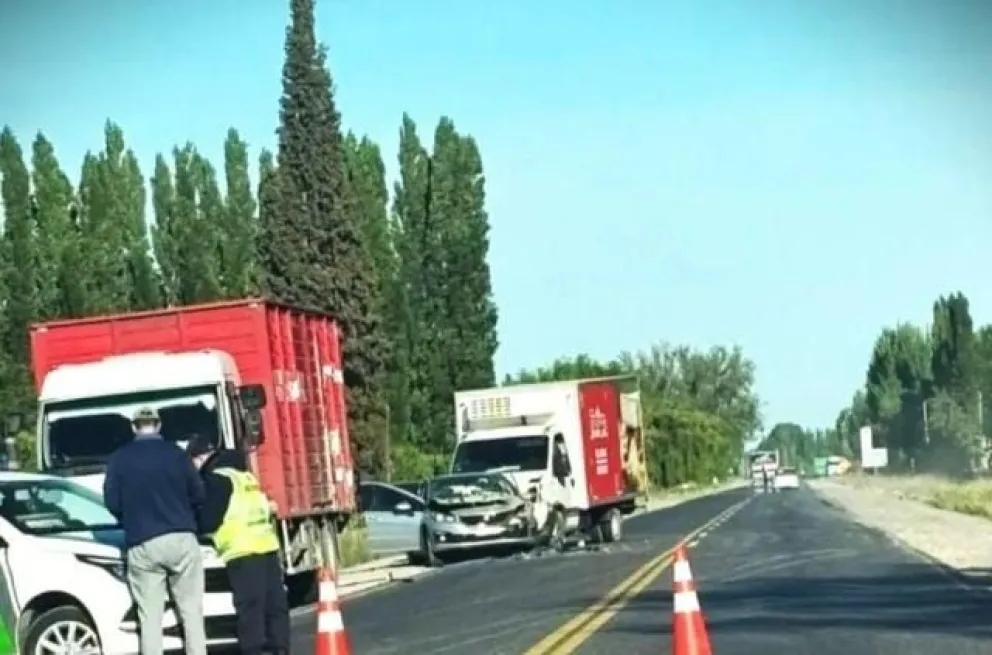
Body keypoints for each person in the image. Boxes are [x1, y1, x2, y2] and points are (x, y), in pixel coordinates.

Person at [103, 407, 207, 655]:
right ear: (158, 425)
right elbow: (199, 494)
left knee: (150, 618)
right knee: (191, 611)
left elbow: (112, 503)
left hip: (143, 540)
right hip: (182, 537)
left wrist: (130, 517)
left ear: (134, 427)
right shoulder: (177, 455)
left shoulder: (119, 459)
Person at [186, 433, 289, 655]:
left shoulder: (216, 480)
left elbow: (210, 520)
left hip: (242, 551)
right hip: (267, 546)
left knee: (249, 608)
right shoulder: (245, 477)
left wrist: (195, 527)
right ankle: (280, 649)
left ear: (200, 458)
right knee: (274, 607)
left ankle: (252, 650)